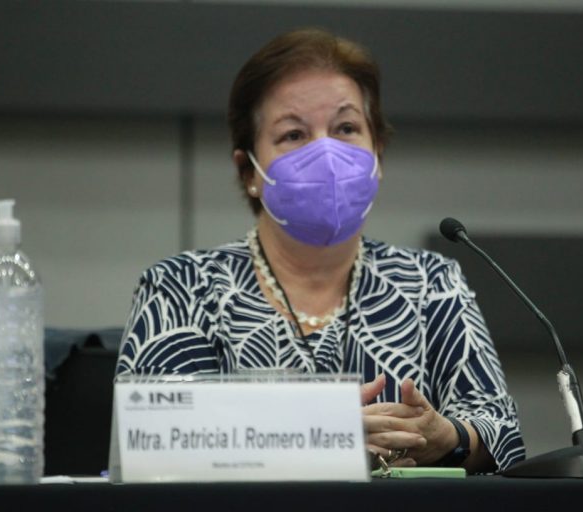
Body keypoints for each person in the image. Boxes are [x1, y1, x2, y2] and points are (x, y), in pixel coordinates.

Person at [116, 28, 525, 473]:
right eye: (293, 135)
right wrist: (329, 433)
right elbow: (153, 440)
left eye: (346, 128)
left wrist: (450, 437)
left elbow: (503, 434)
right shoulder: (182, 287)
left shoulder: (430, 284)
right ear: (248, 170)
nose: (326, 154)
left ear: (378, 154)